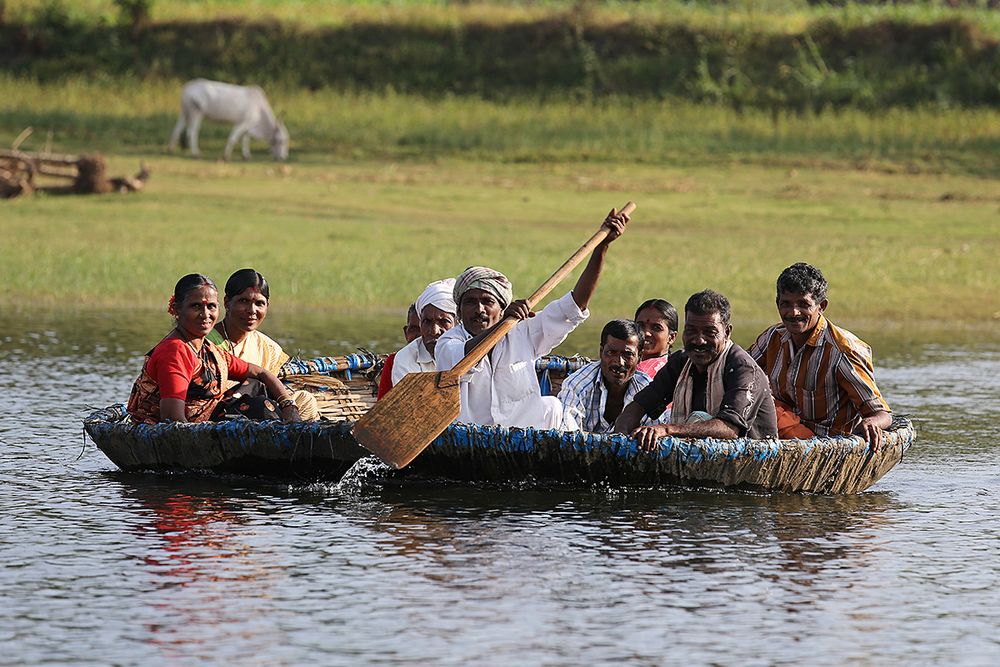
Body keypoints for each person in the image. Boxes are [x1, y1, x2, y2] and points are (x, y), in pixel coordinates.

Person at [435, 208, 628, 429]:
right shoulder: (448, 343)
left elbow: (575, 305)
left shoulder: (523, 331)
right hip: (472, 439)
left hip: (525, 438)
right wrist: (501, 325)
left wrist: (601, 248)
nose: (479, 310)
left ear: (501, 308)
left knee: (553, 407)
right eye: (470, 302)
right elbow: (463, 360)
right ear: (459, 311)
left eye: (487, 302)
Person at [748, 262, 892, 447]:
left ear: (821, 306)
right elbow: (739, 374)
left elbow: (881, 414)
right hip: (779, 433)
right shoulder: (772, 338)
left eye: (803, 304)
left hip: (824, 443)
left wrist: (871, 423)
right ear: (778, 304)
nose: (793, 313)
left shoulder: (842, 351)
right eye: (786, 304)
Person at [127, 273, 302, 425]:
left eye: (211, 306)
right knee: (258, 409)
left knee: (256, 387)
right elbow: (173, 420)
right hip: (175, 432)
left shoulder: (208, 349)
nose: (205, 315)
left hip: (203, 422)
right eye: (196, 306)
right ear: (176, 309)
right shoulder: (175, 351)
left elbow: (260, 373)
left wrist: (288, 406)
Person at [614, 289, 777, 449]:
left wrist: (667, 430)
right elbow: (638, 406)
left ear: (726, 332)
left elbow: (730, 428)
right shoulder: (680, 362)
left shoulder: (743, 368)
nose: (699, 340)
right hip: (697, 459)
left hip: (748, 461)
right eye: (691, 331)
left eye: (709, 332)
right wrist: (622, 440)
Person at [205, 268, 319, 421]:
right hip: (218, 414)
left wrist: (287, 405)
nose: (252, 310)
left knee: (306, 399)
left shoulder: (268, 348)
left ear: (267, 306)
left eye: (259, 303)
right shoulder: (206, 342)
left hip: (259, 407)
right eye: (243, 301)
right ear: (227, 303)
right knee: (259, 404)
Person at [558, 319, 664, 433]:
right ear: (601, 352)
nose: (618, 363)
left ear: (640, 357)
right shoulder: (577, 385)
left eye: (628, 355)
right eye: (611, 353)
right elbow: (567, 436)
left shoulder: (646, 388)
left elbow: (655, 432)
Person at [390, 278, 457, 386]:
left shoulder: (468, 351)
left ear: (456, 325)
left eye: (444, 321)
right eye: (427, 321)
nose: (434, 331)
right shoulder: (406, 358)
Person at [377, 303, 421, 400]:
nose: (419, 336)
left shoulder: (449, 357)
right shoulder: (394, 361)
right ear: (406, 332)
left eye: (423, 329)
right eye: (414, 329)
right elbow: (383, 406)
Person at [634, 298, 679, 377]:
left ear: (671, 337)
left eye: (656, 328)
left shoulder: (643, 372)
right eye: (640, 326)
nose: (646, 333)